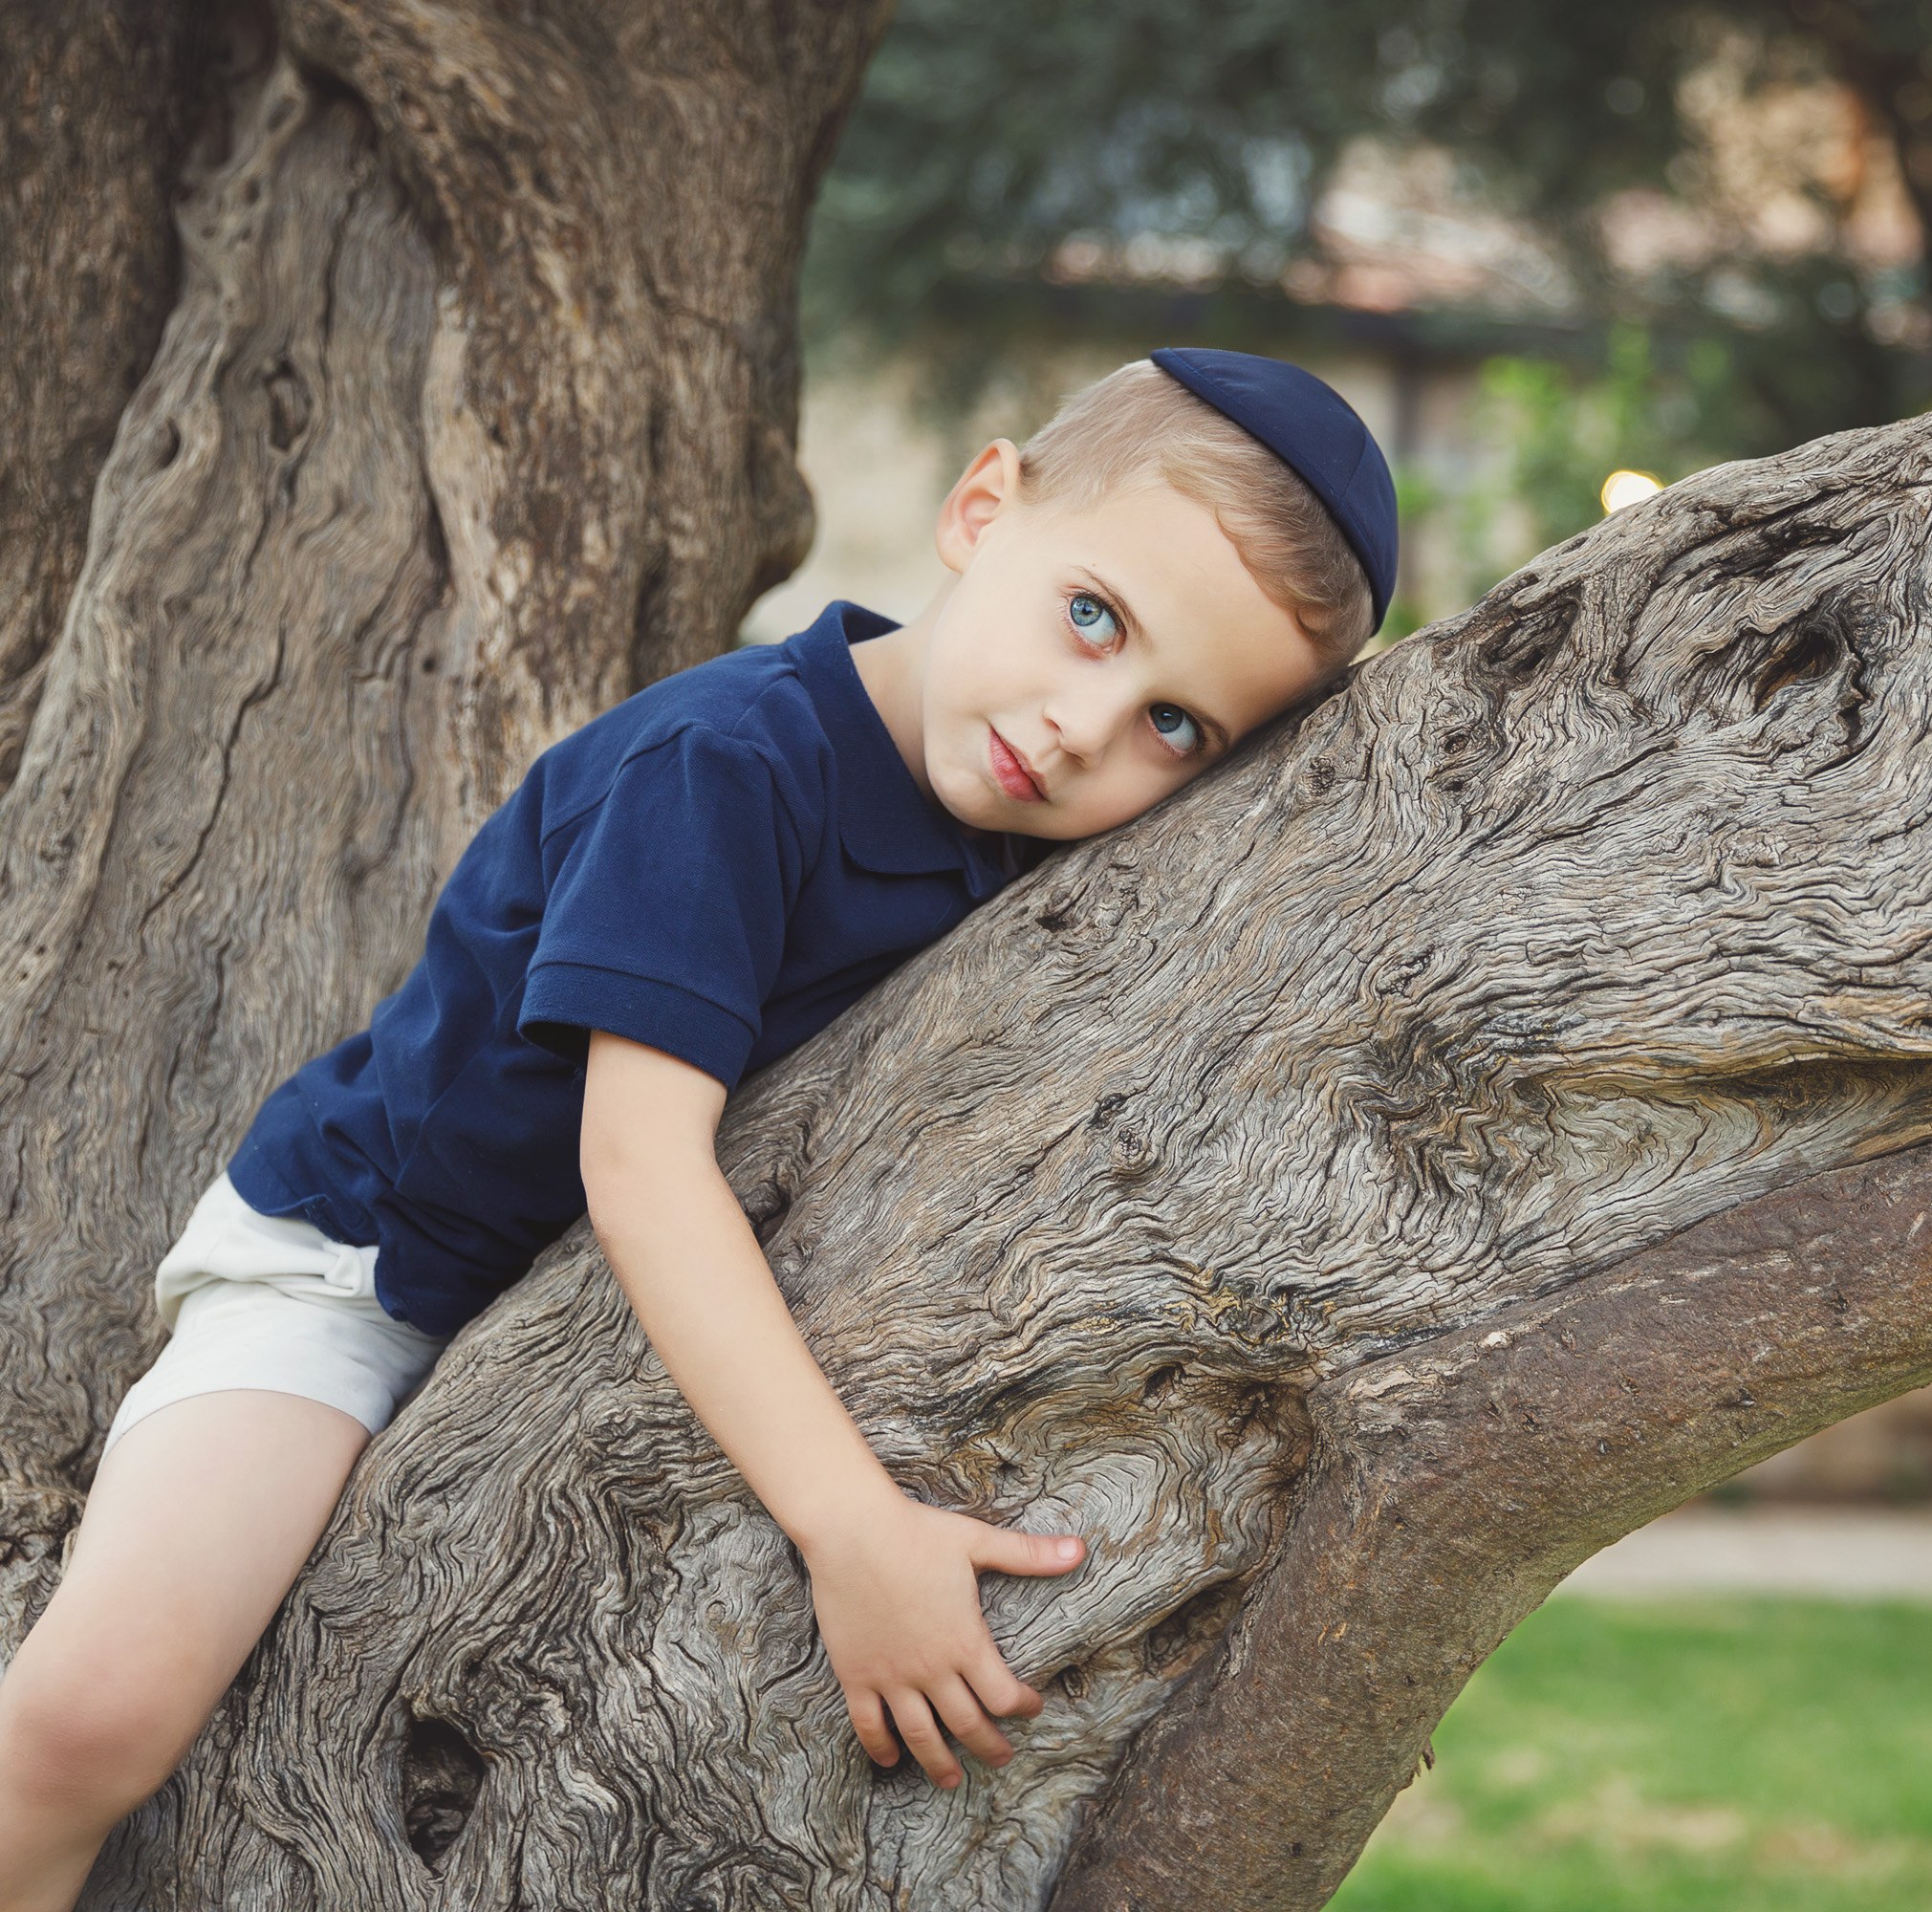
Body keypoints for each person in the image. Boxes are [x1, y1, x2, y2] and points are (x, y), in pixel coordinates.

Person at [0, 346, 1400, 1908]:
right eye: (1094, 616)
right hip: (366, 1274)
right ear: (980, 507)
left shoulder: (1013, 847)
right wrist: (852, 1530)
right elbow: (640, 1165)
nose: (1085, 728)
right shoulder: (730, 768)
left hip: (584, 1321)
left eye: (1176, 727)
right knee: (96, 1713)